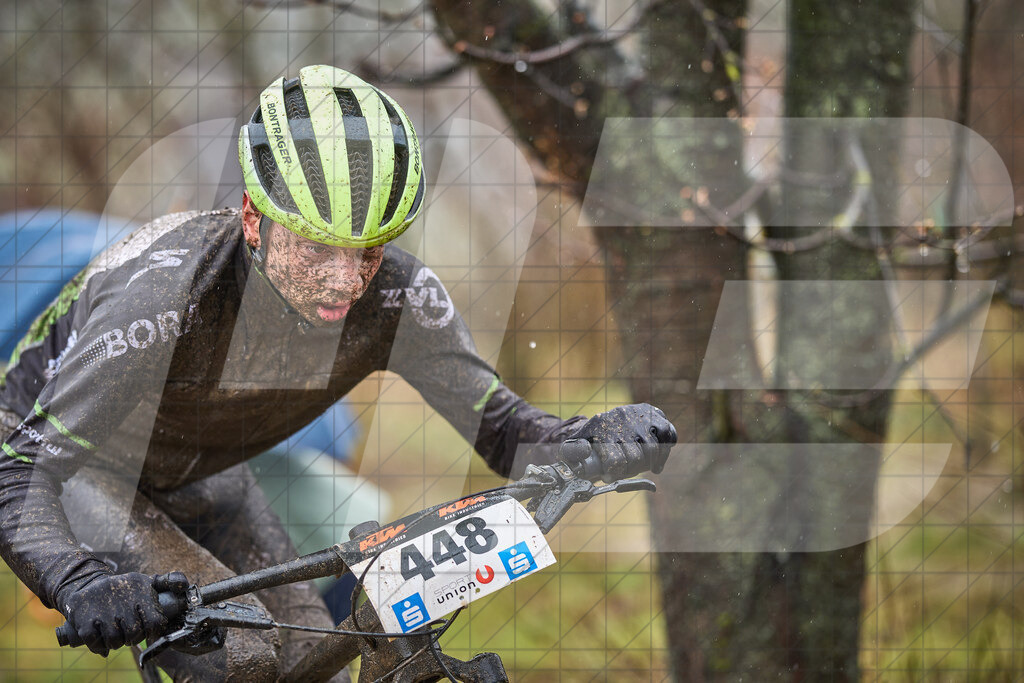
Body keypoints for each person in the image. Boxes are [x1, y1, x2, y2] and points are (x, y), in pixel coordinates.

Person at [0, 65, 676, 681]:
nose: (346, 280)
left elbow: (502, 429)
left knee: (312, 658)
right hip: (74, 469)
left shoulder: (399, 300)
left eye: (369, 251)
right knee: (245, 658)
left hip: (199, 471)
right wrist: (81, 582)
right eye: (319, 248)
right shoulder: (165, 296)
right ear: (254, 219)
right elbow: (20, 467)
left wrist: (587, 438)